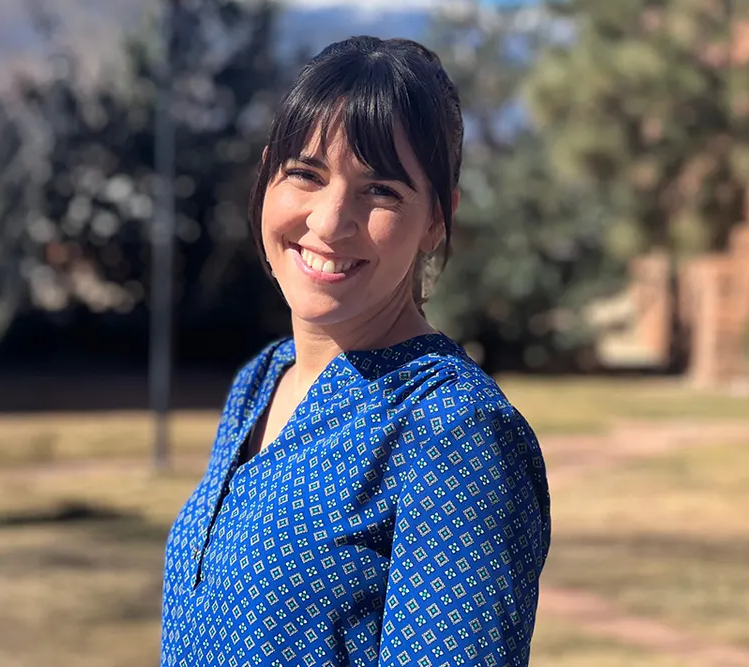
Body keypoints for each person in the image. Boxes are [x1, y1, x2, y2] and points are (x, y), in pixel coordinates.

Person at [160, 35, 551, 666]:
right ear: (267, 177)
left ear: (436, 220)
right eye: (306, 175)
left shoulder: (455, 432)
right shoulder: (261, 381)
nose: (330, 220)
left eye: (382, 191)